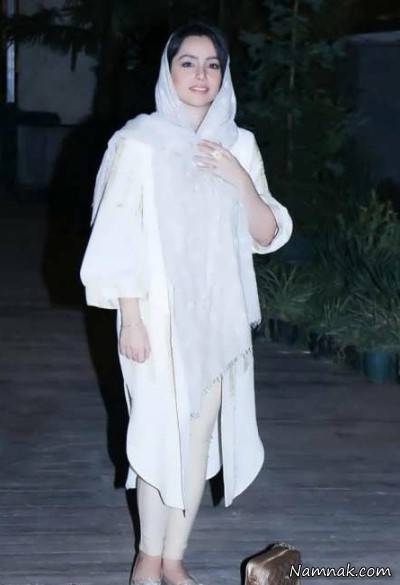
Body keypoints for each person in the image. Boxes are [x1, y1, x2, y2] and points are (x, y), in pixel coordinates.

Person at [80, 22, 293, 585]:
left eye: (212, 65)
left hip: (218, 319)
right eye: (188, 63)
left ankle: (173, 558)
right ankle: (147, 557)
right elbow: (117, 235)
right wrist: (130, 318)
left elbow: (267, 232)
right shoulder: (139, 142)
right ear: (168, 71)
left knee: (198, 439)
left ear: (224, 75)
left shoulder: (239, 145)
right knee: (155, 432)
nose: (201, 75)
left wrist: (239, 179)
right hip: (154, 317)